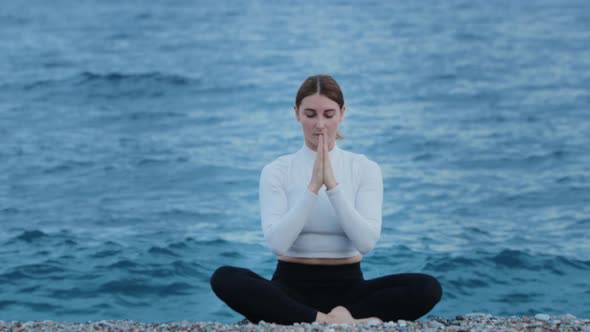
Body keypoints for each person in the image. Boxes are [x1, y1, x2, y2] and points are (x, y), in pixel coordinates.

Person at [210, 74, 442, 325]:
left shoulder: (364, 167)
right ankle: (333, 321)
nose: (320, 124)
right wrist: (312, 189)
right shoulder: (277, 170)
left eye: (328, 115)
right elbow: (278, 244)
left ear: (342, 113)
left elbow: (365, 243)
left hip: (350, 291)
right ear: (296, 113)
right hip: (290, 288)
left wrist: (332, 186)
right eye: (310, 114)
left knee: (427, 287)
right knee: (224, 278)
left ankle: (324, 317)